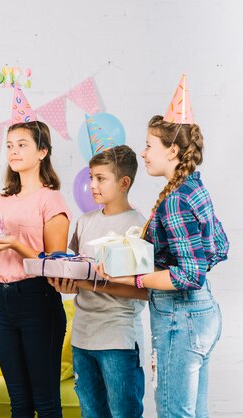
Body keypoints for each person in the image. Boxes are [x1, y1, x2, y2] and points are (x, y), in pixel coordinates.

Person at [97, 76, 229, 417]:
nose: (143, 153)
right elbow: (219, 247)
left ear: (172, 150)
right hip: (202, 313)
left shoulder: (175, 200)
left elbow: (189, 275)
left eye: (149, 145)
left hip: (180, 317)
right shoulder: (193, 187)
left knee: (173, 412)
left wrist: (134, 279)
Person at [0, 89, 72, 418]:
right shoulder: (3, 199)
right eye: (9, 146)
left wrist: (17, 243)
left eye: (22, 145)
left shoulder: (51, 200)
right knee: (18, 402)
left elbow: (58, 269)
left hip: (38, 299)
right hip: (2, 300)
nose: (13, 152)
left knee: (45, 404)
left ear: (42, 151)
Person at [49, 144, 147, 418]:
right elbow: (74, 270)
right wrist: (63, 283)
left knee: (123, 413)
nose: (92, 184)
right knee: (91, 413)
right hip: (83, 337)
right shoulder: (84, 222)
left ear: (124, 182)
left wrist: (89, 283)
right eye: (91, 177)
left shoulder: (138, 227)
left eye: (101, 178)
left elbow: (144, 291)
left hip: (118, 340)